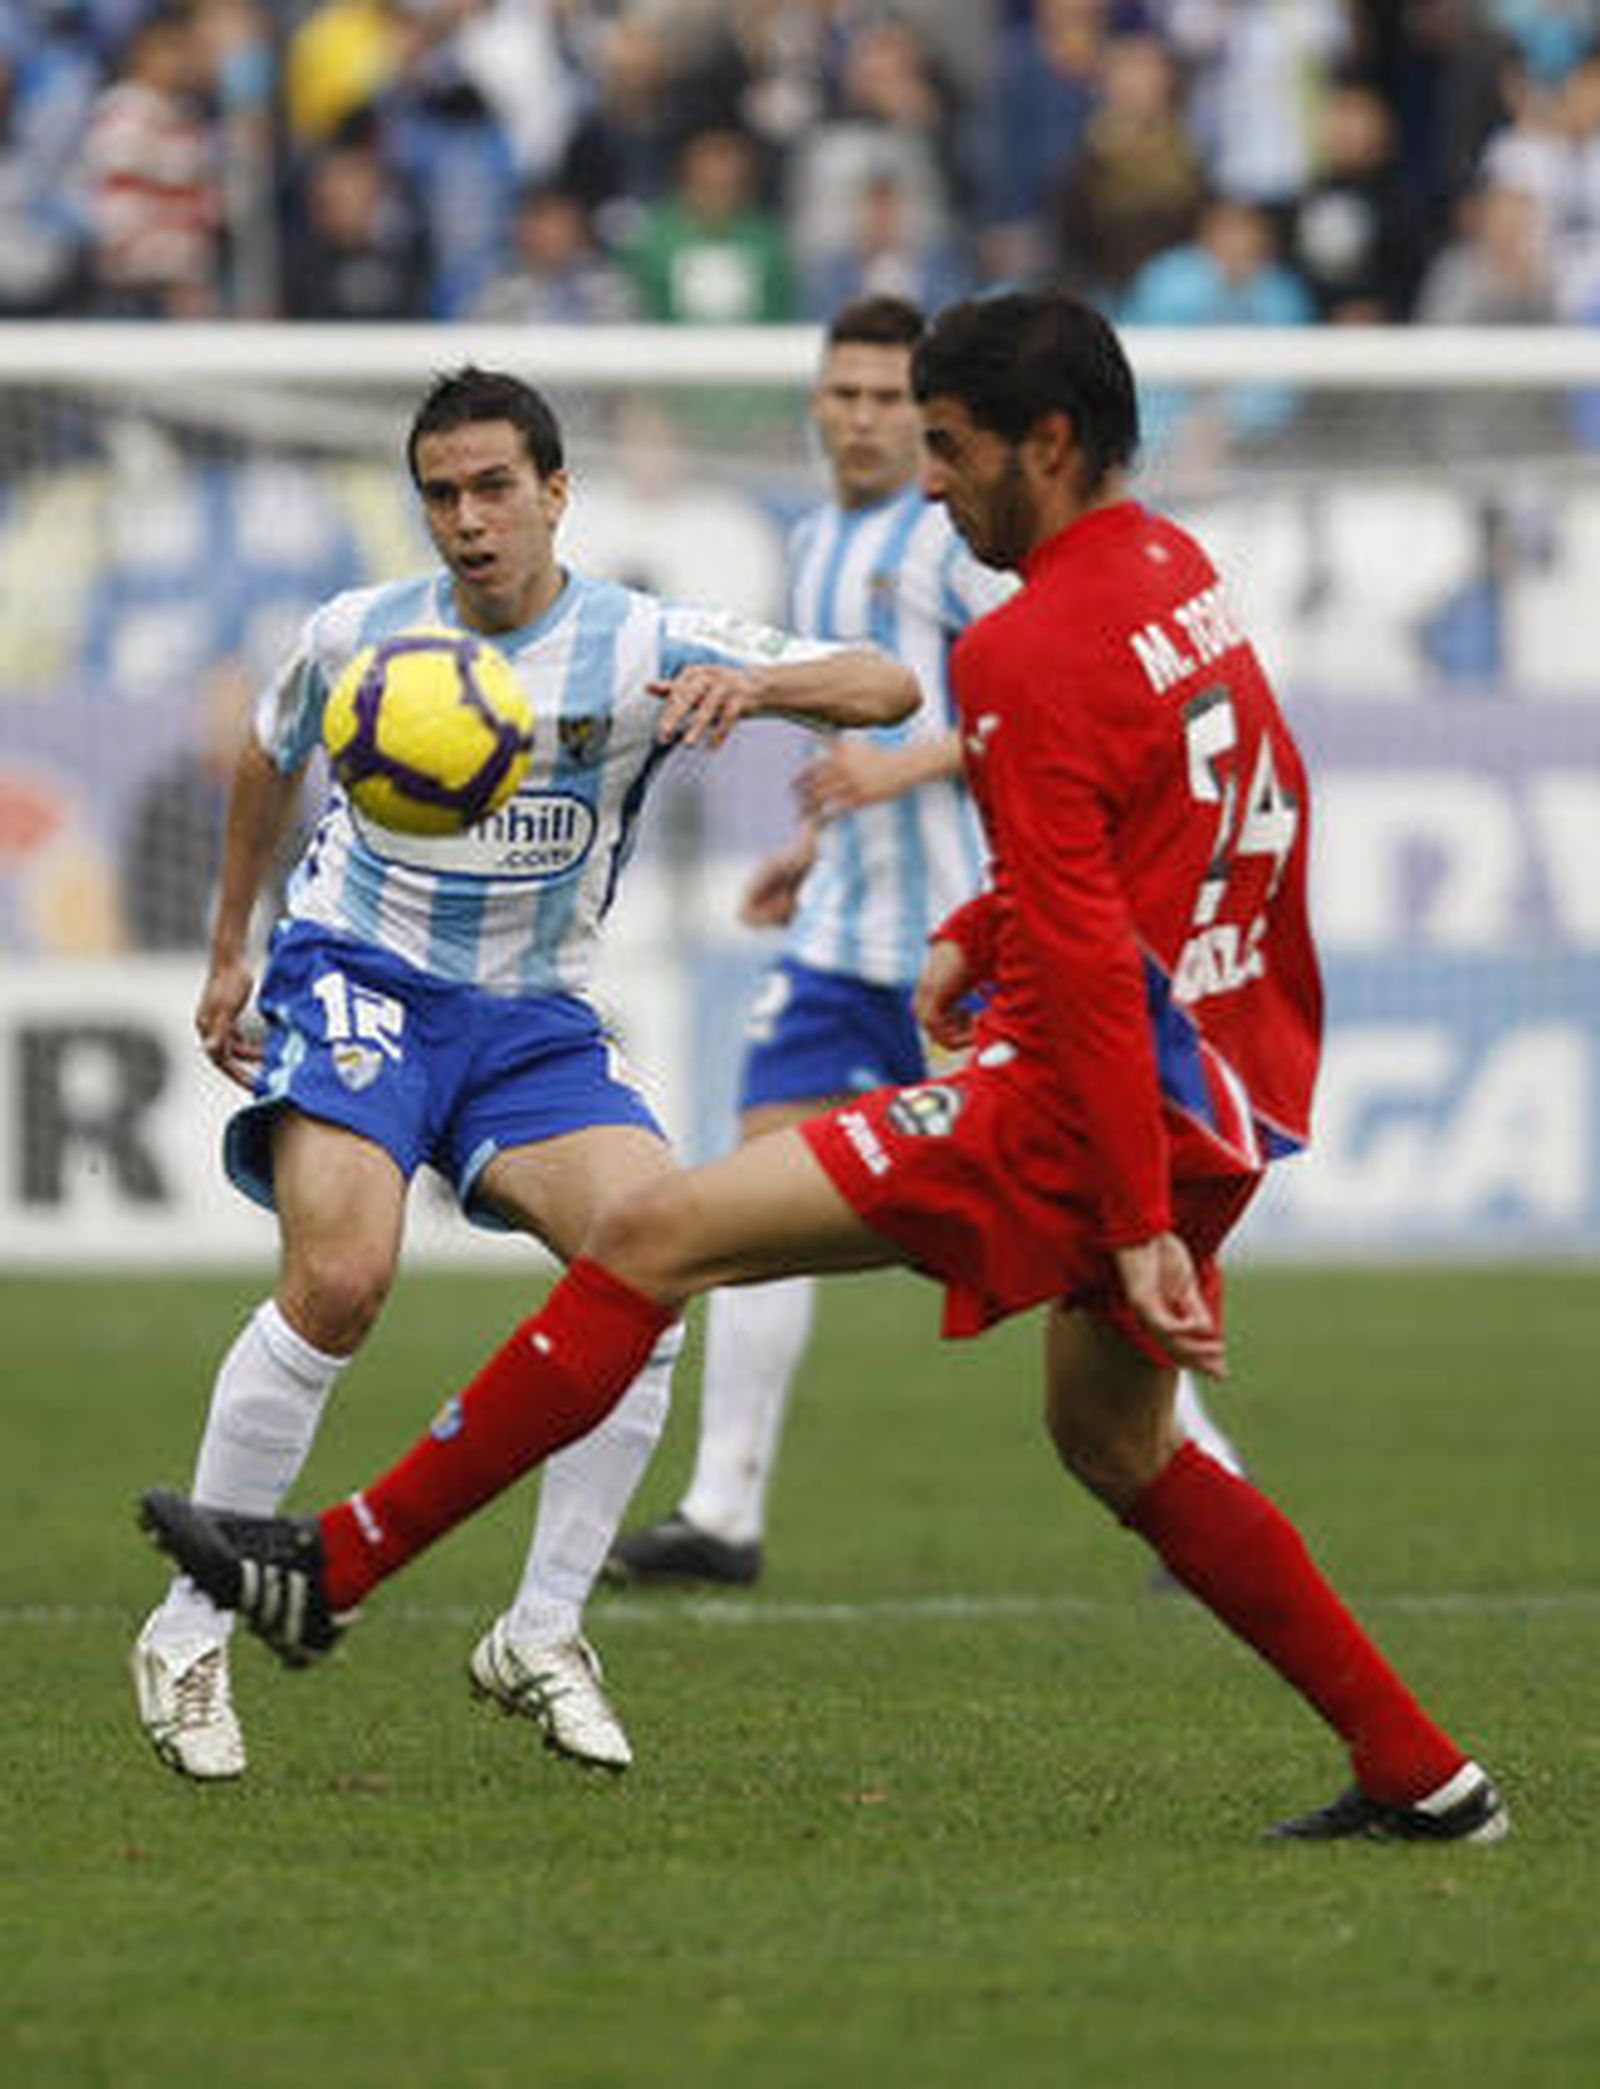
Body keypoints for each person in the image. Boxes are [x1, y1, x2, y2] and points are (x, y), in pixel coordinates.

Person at [141, 294, 1507, 1845]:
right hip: (1225, 1080)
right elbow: (1234, 798)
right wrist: (987, 926)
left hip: (1078, 1098)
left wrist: (1125, 1208)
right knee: (1112, 1439)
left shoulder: (1019, 644)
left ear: (1043, 443)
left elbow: (1071, 932)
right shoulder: (1178, 575)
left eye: (949, 446)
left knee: (653, 1233)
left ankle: (334, 1566)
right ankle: (1421, 1769)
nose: (926, 481)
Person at [130, 362, 917, 1783]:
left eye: (496, 487)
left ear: (558, 492)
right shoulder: (361, 634)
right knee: (341, 1282)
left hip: (533, 1015)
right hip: (357, 975)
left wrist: (760, 679)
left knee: (660, 1250)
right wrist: (228, 949)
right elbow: (265, 753)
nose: (468, 518)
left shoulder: (638, 642)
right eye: (441, 492)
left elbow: (891, 682)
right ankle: (191, 1623)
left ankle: (541, 1629)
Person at [608, 292, 1241, 1594]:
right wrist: (811, 842)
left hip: (954, 941)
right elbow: (855, 741)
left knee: (1067, 1240)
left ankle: (1206, 1481)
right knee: (749, 1174)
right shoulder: (813, 542)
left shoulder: (961, 541)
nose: (862, 419)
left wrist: (903, 770)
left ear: (934, 416)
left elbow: (1018, 714)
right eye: (841, 395)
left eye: (890, 400)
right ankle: (723, 1507)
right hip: (841, 934)